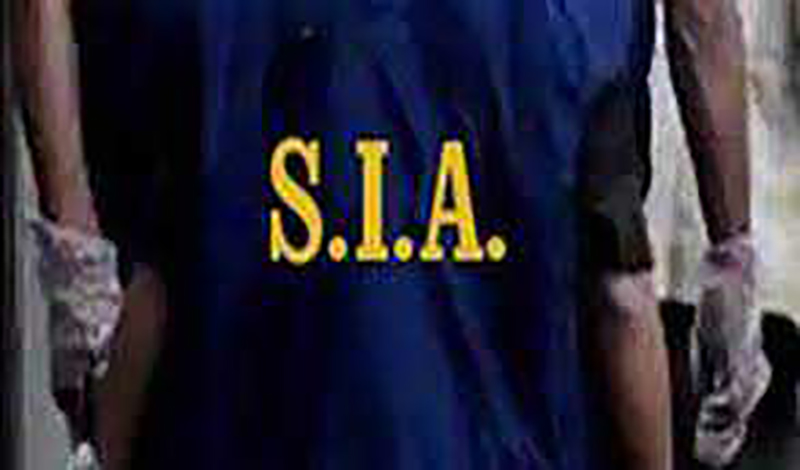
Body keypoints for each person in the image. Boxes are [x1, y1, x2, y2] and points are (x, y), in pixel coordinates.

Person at [14, 0, 768, 469]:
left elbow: (160, 274)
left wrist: (76, 269)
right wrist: (731, 263)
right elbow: (619, 296)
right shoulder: (562, 38)